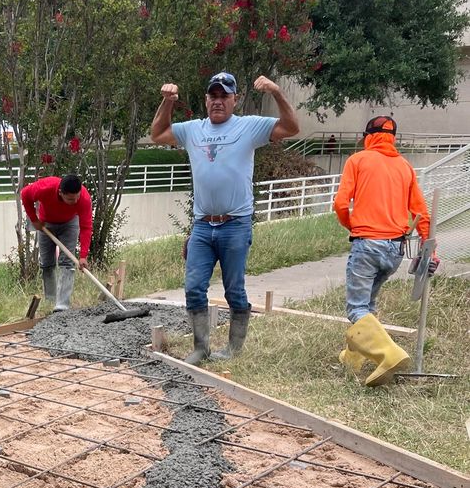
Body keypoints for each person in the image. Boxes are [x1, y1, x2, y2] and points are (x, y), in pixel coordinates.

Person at [150, 71, 300, 363]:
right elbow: (158, 134)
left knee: (234, 290)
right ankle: (201, 348)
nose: (218, 101)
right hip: (202, 226)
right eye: (213, 95)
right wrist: (167, 101)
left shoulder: (249, 127)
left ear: (235, 99)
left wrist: (276, 92)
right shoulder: (192, 130)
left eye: (224, 96)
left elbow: (291, 128)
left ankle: (233, 349)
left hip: (235, 225)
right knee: (194, 287)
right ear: (206, 100)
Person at [333, 116, 435, 387]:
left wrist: (352, 225)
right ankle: (353, 357)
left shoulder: (358, 160)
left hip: (367, 244)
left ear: (368, 136)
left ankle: (389, 354)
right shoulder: (405, 167)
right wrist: (429, 249)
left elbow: (341, 203)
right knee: (368, 304)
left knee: (356, 308)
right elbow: (421, 212)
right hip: (395, 249)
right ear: (393, 138)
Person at [21, 173, 93, 311]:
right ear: (60, 192)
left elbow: (86, 227)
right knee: (47, 263)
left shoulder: (84, 198)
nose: (75, 201)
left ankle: (62, 305)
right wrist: (34, 219)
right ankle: (51, 301)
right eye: (70, 199)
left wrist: (83, 256)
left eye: (77, 197)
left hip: (70, 224)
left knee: (67, 262)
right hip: (46, 224)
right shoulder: (45, 187)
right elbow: (25, 194)